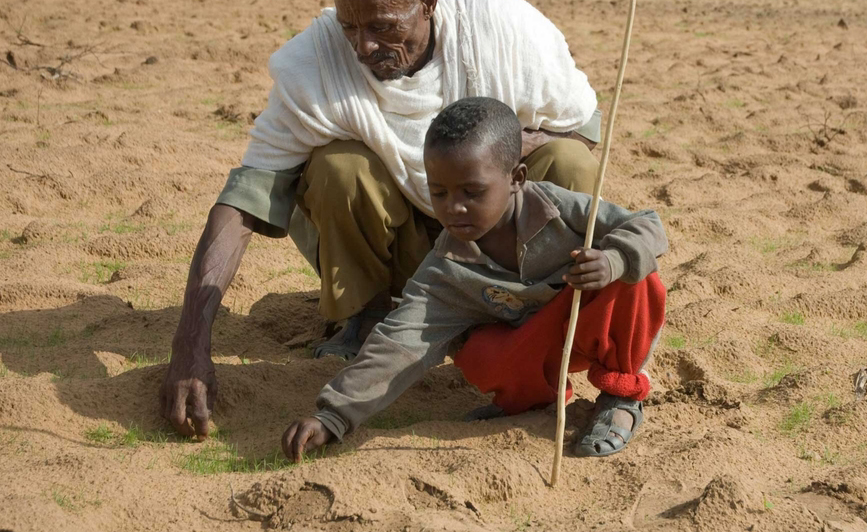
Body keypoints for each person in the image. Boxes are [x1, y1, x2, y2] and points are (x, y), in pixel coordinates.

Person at [160, 0, 602, 439]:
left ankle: (532, 314)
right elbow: (243, 202)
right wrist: (190, 342)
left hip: (496, 244)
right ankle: (365, 317)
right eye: (350, 26)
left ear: (428, 3)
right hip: (406, 258)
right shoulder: (319, 61)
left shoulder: (503, 32)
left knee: (569, 163)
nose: (364, 46)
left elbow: (584, 126)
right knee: (338, 167)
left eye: (382, 26)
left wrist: (515, 145)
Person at [282, 97, 667, 461]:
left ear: (516, 177)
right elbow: (398, 344)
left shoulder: (560, 208)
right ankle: (532, 402)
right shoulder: (444, 269)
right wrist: (333, 416)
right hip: (531, 348)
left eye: (472, 191)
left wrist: (614, 260)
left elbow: (649, 226)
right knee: (478, 353)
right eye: (439, 192)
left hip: (587, 326)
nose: (454, 207)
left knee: (638, 277)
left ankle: (621, 400)